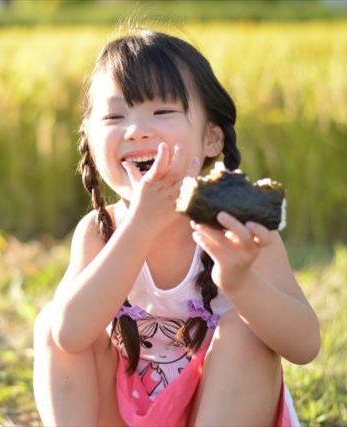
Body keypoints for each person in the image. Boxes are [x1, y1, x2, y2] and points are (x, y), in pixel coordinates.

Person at [33, 29, 320, 426]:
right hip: (127, 409)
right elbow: (68, 336)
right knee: (53, 321)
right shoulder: (100, 231)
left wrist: (239, 282)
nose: (135, 130)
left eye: (162, 111)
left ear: (211, 137)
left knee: (246, 334)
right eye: (115, 116)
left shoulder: (239, 228)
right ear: (89, 137)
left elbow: (305, 344)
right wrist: (139, 228)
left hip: (221, 410)